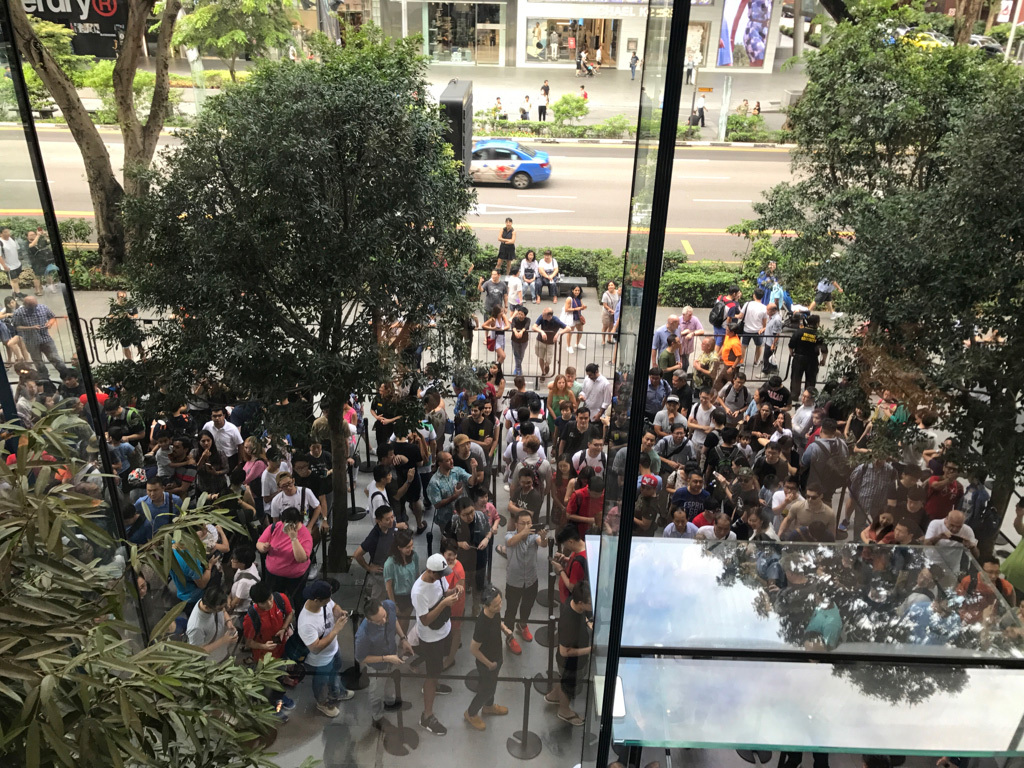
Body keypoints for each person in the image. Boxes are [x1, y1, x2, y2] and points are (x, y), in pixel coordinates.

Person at [410, 553, 462, 736]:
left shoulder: (439, 579)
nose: (443, 576)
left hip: (443, 630)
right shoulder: (418, 591)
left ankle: (434, 682)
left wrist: (454, 592)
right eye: (440, 573)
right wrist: (444, 603)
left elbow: (444, 592)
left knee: (437, 666)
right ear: (430, 572)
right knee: (431, 673)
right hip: (430, 638)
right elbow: (424, 620)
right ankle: (427, 715)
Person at [297, 580, 354, 717]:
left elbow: (334, 606)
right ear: (317, 600)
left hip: (333, 650)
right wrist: (336, 630)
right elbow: (315, 648)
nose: (329, 602)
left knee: (335, 671)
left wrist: (339, 612)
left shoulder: (324, 601)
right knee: (321, 682)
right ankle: (322, 703)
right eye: (326, 600)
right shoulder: (306, 623)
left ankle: (336, 692)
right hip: (320, 660)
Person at [355, 597, 412, 730]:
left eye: (384, 616)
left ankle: (389, 702)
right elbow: (361, 658)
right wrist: (386, 658)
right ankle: (377, 717)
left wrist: (403, 638)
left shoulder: (389, 605)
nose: (384, 621)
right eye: (379, 621)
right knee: (376, 692)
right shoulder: (363, 634)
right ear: (369, 620)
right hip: (377, 668)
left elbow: (394, 620)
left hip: (391, 656)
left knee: (389, 682)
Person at [544, 581, 592, 727]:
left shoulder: (574, 603)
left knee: (564, 680)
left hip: (571, 662)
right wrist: (591, 649)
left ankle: (553, 696)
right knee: (568, 686)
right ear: (580, 603)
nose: (592, 606)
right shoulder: (568, 622)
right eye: (590, 603)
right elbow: (565, 651)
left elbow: (582, 618)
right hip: (571, 663)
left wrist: (587, 623)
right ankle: (564, 710)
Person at [256, 507, 312, 611]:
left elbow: (301, 558)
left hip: (295, 577)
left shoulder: (305, 534)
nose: (287, 526)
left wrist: (293, 538)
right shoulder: (274, 527)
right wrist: (263, 547)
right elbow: (259, 543)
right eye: (285, 523)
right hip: (274, 575)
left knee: (298, 601)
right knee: (274, 601)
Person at [353, 505, 402, 601]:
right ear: (378, 521)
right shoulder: (373, 538)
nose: (392, 520)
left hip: (391, 565)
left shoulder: (391, 525)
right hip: (380, 570)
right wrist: (369, 568)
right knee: (378, 597)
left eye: (392, 517)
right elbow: (357, 554)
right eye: (387, 519)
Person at [12, 295, 67, 378]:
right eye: (31, 307)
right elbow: (17, 327)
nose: (34, 308)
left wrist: (50, 323)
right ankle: (45, 379)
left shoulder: (43, 308)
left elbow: (52, 317)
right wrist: (31, 328)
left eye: (35, 305)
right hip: (31, 341)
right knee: (38, 361)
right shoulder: (18, 313)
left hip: (46, 338)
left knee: (55, 358)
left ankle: (65, 375)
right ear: (25, 305)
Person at [186, 585, 237, 659]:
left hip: (222, 651)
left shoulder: (210, 600)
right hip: (211, 660)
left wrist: (228, 621)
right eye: (220, 608)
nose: (223, 610)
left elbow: (223, 611)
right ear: (207, 607)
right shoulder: (195, 627)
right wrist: (223, 640)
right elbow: (197, 652)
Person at [789, 314, 827, 397]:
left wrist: (791, 353)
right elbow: (824, 350)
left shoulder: (799, 331)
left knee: (796, 377)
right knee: (811, 379)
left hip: (799, 358)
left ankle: (794, 395)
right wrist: (823, 360)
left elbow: (791, 345)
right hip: (812, 359)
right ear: (817, 323)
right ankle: (808, 396)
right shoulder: (819, 334)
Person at [532, 305, 567, 379]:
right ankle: (543, 372)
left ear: (549, 316)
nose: (542, 315)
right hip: (540, 341)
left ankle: (547, 365)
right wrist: (541, 331)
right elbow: (534, 327)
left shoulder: (556, 320)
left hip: (550, 343)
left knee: (548, 359)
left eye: (544, 314)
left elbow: (568, 328)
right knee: (541, 357)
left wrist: (558, 333)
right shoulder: (541, 317)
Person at [563, 284, 587, 353]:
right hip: (572, 317)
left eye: (578, 290)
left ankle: (577, 343)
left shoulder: (579, 298)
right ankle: (568, 346)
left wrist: (582, 307)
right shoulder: (569, 299)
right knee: (570, 332)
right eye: (576, 290)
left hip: (578, 316)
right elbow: (566, 309)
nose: (577, 292)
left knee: (580, 330)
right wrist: (576, 309)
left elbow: (581, 306)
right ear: (572, 290)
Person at [0, 228, 24, 294]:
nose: (8, 233)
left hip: (17, 264)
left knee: (16, 279)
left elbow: (17, 249)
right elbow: (0, 256)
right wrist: (4, 266)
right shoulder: (1, 243)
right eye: (5, 232)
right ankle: (18, 293)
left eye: (8, 231)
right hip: (8, 265)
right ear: (1, 234)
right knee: (14, 279)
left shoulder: (12, 239)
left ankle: (16, 292)